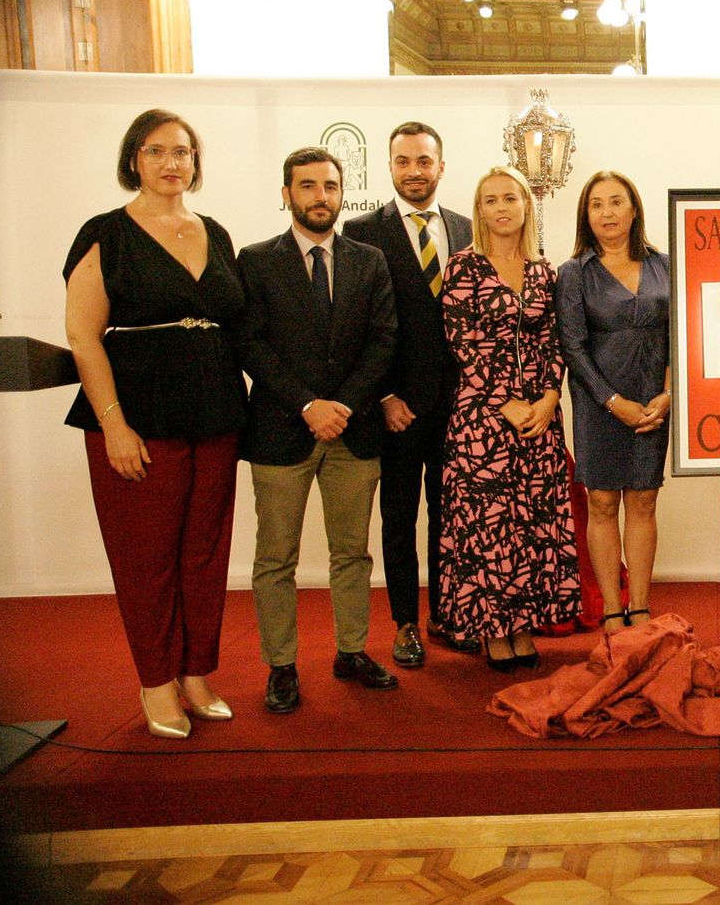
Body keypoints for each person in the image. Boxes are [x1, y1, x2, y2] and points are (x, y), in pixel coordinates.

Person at [63, 108, 247, 739]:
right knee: (147, 559)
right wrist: (114, 424)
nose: (173, 162)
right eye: (157, 150)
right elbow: (84, 337)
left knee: (204, 553)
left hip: (216, 412)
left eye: (184, 152)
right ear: (134, 160)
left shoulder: (215, 232)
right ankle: (156, 682)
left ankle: (197, 673)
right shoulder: (105, 233)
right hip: (137, 417)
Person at [238, 147, 399, 714]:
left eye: (329, 186)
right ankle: (281, 665)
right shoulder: (255, 261)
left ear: (341, 193)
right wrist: (308, 404)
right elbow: (250, 343)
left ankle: (350, 652)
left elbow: (384, 341)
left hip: (352, 434)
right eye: (306, 187)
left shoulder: (369, 259)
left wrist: (342, 407)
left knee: (352, 554)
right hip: (282, 432)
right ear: (287, 195)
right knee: (275, 558)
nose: (319, 197)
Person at [342, 121, 477, 667]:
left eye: (424, 161)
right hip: (396, 406)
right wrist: (382, 396)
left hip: (462, 406)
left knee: (453, 514)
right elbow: (352, 326)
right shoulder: (360, 232)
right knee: (398, 517)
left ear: (441, 166)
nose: (414, 171)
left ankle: (447, 614)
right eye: (403, 162)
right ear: (390, 167)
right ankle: (404, 623)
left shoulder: (470, 229)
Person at [441, 166, 581, 669]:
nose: (500, 208)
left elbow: (554, 341)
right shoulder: (463, 267)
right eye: (489, 200)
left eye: (509, 198)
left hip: (540, 419)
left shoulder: (545, 271)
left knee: (531, 525)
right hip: (482, 419)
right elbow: (462, 343)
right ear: (479, 211)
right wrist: (506, 402)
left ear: (525, 206)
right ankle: (493, 630)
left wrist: (548, 397)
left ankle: (523, 625)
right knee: (489, 527)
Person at [556, 170, 671, 633]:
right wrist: (611, 401)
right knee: (602, 503)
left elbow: (679, 335)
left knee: (643, 501)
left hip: (653, 401)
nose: (607, 212)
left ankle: (640, 607)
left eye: (616, 202)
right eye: (596, 204)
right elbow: (572, 348)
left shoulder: (666, 264)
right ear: (586, 214)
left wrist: (667, 395)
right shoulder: (573, 272)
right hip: (598, 402)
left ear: (634, 209)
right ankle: (610, 610)